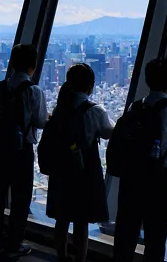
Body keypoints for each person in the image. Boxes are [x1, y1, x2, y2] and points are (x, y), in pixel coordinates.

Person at [111, 58, 167, 262]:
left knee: (126, 234)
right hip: (158, 180)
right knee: (155, 237)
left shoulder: (135, 107)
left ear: (147, 80)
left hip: (131, 177)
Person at [44, 64, 113, 262]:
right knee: (81, 222)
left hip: (61, 170)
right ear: (90, 86)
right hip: (84, 172)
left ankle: (61, 256)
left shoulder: (60, 109)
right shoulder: (95, 111)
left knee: (62, 219)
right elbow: (108, 132)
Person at [0, 43, 46, 258]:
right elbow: (40, 121)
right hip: (21, 150)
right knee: (20, 199)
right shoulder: (33, 91)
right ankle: (14, 242)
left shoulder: (1, 87)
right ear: (33, 66)